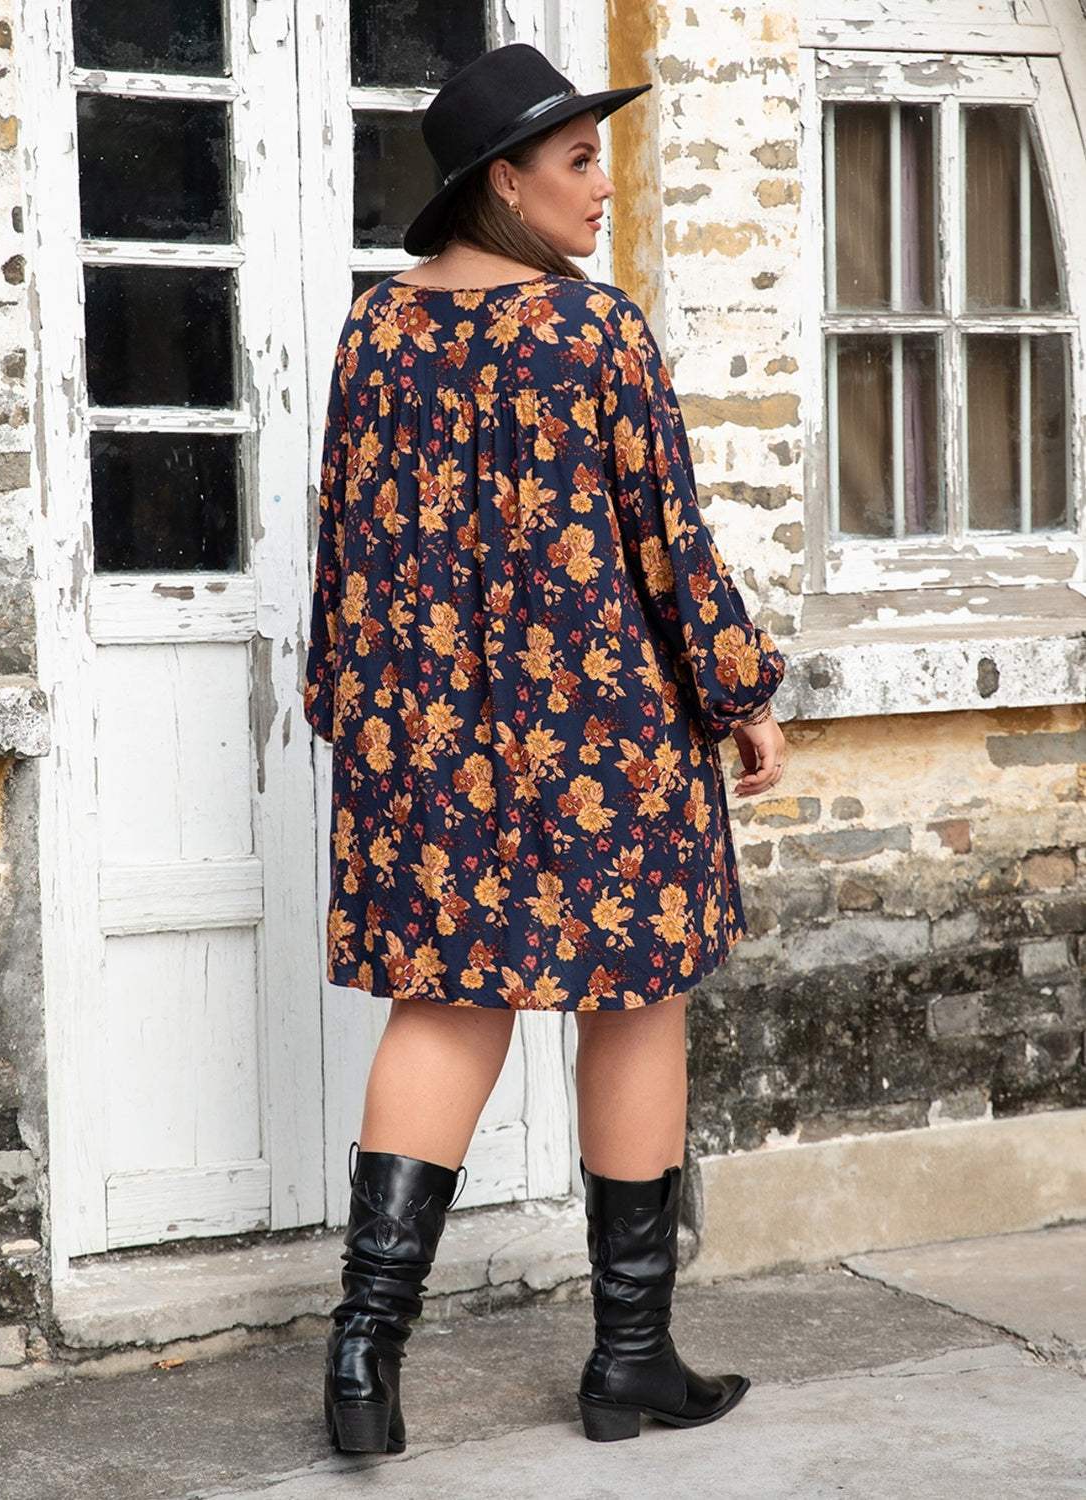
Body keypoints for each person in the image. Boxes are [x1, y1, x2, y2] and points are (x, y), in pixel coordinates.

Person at [302, 41, 787, 1455]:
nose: (601, 190)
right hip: (599, 729)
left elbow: (346, 546)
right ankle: (627, 1360)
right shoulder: (591, 331)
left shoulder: (372, 330)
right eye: (577, 162)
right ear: (498, 182)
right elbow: (666, 540)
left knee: (445, 1007)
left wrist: (353, 711)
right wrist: (736, 690)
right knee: (632, 1003)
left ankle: (359, 1362)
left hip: (426, 736)